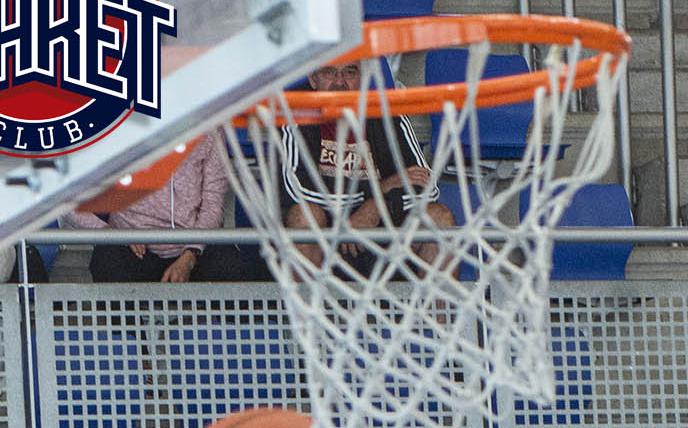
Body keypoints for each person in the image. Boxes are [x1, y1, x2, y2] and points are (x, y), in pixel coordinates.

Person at [277, 59, 452, 274]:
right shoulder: (294, 114)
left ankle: (433, 299)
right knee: (305, 216)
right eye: (329, 73)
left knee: (439, 217)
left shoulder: (387, 112)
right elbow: (297, 189)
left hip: (382, 235)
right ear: (313, 79)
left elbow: (427, 187)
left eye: (349, 72)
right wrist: (381, 190)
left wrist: (378, 206)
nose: (339, 82)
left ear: (363, 78)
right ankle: (307, 299)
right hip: (326, 236)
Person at [67, 136, 252, 282]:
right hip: (132, 249)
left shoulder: (209, 126)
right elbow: (65, 201)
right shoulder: (115, 125)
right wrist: (111, 233)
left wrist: (191, 253)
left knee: (230, 263)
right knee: (107, 258)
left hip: (192, 248)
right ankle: (130, 323)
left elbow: (213, 205)